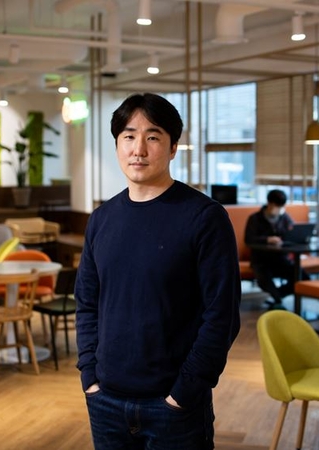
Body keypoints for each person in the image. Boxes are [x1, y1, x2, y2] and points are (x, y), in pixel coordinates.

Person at [75, 93, 241, 450]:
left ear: (173, 147)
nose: (139, 150)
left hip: (174, 405)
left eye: (152, 137)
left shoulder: (205, 218)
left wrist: (185, 391)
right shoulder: (101, 220)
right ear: (117, 145)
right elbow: (86, 303)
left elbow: (222, 315)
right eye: (128, 137)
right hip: (105, 400)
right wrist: (89, 374)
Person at [244, 189, 307, 308]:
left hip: (280, 259)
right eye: (277, 205)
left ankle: (279, 295)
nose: (279, 208)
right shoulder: (255, 218)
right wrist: (267, 239)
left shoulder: (284, 218)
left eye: (281, 206)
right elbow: (248, 239)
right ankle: (277, 298)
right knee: (264, 278)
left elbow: (292, 233)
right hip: (261, 261)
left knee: (302, 276)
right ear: (269, 203)